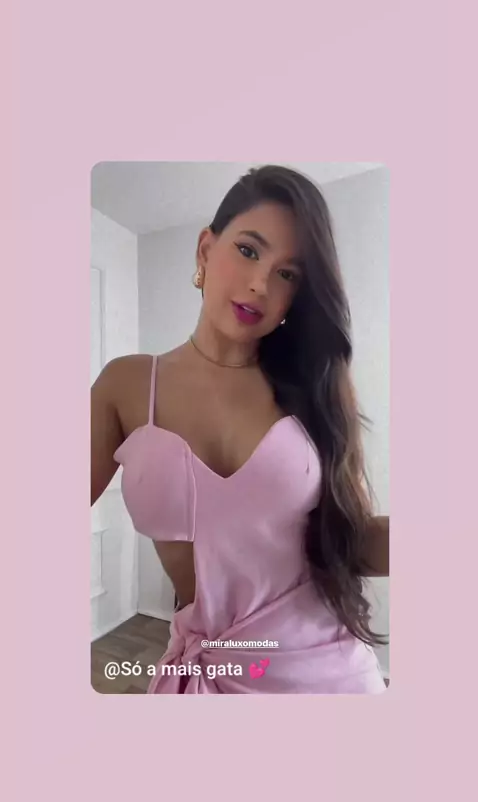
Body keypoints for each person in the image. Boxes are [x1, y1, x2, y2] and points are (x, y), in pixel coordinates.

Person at [91, 164, 389, 694]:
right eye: (249, 250)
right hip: (213, 677)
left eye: (288, 274)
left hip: (332, 675)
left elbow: (352, 539)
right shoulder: (127, 385)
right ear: (206, 249)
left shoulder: (314, 392)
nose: (260, 284)